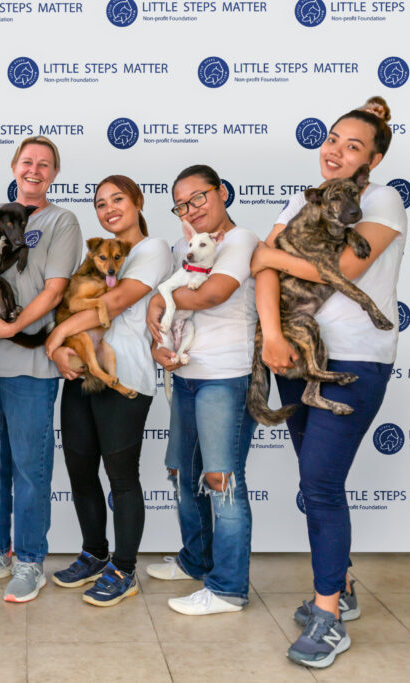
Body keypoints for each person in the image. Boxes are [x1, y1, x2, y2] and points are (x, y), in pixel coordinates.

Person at [250, 96, 406, 669]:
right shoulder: (304, 197)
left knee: (319, 485)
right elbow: (260, 266)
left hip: (357, 359)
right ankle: (339, 585)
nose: (336, 150)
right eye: (333, 138)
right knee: (314, 484)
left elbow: (340, 271)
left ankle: (329, 615)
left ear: (374, 160)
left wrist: (271, 252)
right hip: (294, 351)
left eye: (353, 145)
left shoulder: (382, 198)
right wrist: (271, 335)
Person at [0, 136, 82, 603]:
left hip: (30, 362)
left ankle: (29, 560)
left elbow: (55, 290)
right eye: (28, 162)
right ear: (13, 166)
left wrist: (12, 329)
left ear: (54, 174)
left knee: (30, 466)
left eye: (45, 165)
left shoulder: (62, 221)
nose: (35, 170)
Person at [45, 176, 172, 607]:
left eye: (118, 199)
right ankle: (94, 553)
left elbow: (113, 306)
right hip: (83, 372)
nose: (109, 208)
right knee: (81, 472)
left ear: (138, 201)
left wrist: (56, 336)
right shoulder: (97, 257)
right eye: (101, 203)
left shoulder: (150, 250)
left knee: (121, 479)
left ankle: (124, 567)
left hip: (127, 378)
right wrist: (63, 349)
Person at [143, 165, 260, 617]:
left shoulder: (241, 240)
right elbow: (166, 311)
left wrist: (161, 297)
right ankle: (196, 561)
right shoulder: (180, 246)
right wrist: (159, 345)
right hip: (184, 373)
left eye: (199, 197)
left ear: (222, 192)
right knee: (180, 473)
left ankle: (228, 588)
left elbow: (214, 293)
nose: (192, 209)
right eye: (182, 204)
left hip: (224, 376)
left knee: (222, 480)